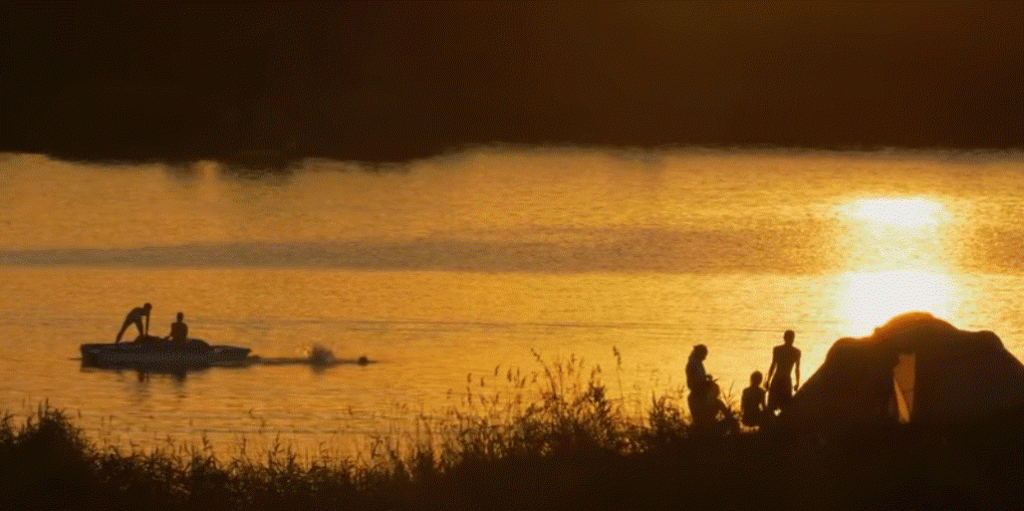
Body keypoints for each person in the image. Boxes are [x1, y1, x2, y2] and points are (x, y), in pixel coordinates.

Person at [766, 330, 801, 413]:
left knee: (773, 406)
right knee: (784, 407)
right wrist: (797, 383)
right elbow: (797, 369)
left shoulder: (777, 349)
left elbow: (773, 366)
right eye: (791, 338)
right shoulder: (796, 352)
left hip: (779, 379)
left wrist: (768, 380)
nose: (791, 340)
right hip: (784, 380)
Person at [686, 344, 712, 426]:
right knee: (699, 420)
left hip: (699, 392)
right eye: (704, 355)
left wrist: (705, 377)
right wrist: (704, 384)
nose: (705, 357)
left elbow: (698, 377)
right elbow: (693, 382)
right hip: (697, 394)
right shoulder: (693, 364)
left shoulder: (696, 363)